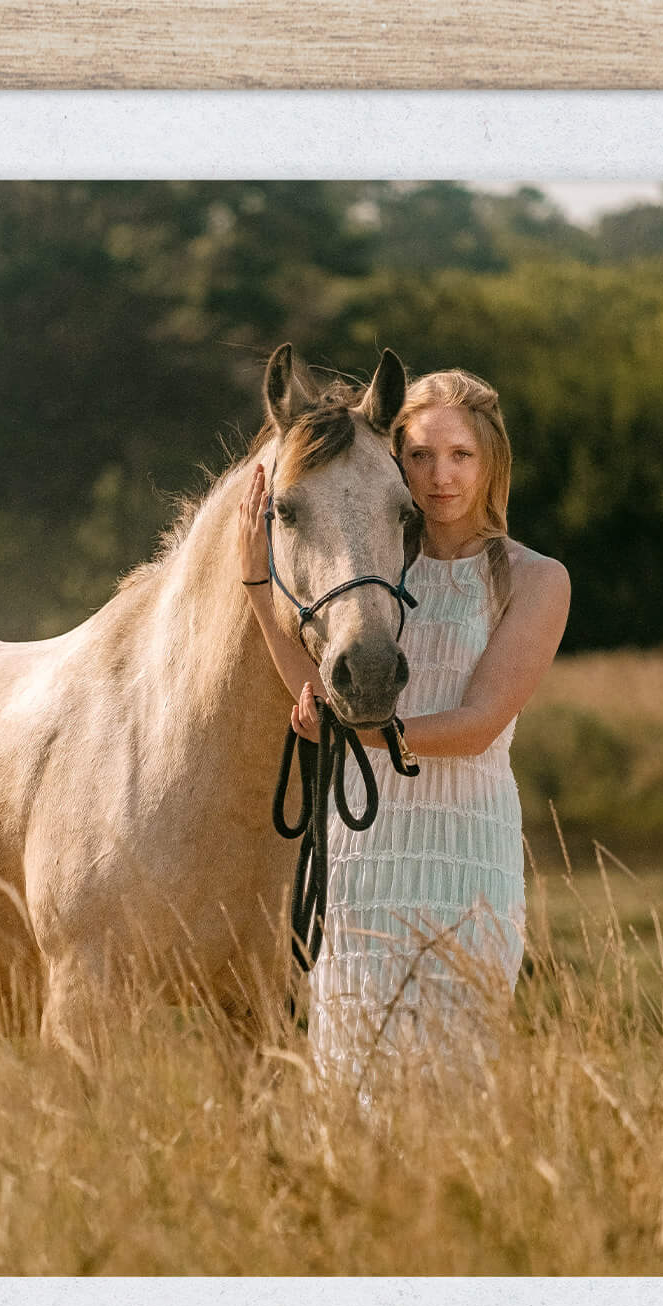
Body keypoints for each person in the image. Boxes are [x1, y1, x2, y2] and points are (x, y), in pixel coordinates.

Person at [237, 368, 570, 1097]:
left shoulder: (535, 579)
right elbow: (316, 682)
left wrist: (350, 734)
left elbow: (479, 725)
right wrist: (259, 589)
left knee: (455, 1084)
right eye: (420, 456)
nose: (440, 476)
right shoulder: (375, 572)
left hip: (464, 859)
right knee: (350, 1082)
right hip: (363, 856)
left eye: (460, 455)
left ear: (490, 462)